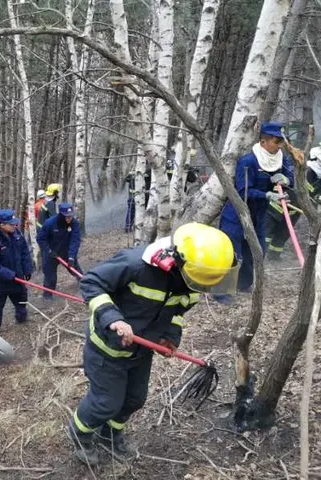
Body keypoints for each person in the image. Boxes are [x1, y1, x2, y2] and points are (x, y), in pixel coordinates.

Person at [68, 223, 237, 464]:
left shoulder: (192, 281)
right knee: (106, 402)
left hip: (142, 350)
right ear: (180, 264)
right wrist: (113, 318)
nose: (205, 288)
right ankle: (80, 432)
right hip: (107, 349)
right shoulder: (136, 264)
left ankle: (110, 435)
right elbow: (91, 282)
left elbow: (178, 311)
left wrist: (171, 336)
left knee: (135, 399)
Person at [216, 122, 294, 303]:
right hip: (237, 214)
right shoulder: (248, 161)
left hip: (259, 216)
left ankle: (244, 284)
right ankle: (221, 292)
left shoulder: (281, 159)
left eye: (281, 141)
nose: (280, 145)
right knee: (231, 253)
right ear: (264, 141)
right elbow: (243, 191)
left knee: (257, 250)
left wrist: (286, 180)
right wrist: (268, 195)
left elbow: (291, 177)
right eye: (276, 141)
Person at [265, 145, 321, 260]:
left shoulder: (318, 178)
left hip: (296, 209)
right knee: (268, 229)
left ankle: (274, 256)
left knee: (284, 232)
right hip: (281, 203)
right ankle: (260, 253)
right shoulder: (305, 170)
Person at [0, 209, 33, 339]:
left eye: (14, 223)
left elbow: (24, 252)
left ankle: (21, 318)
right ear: (2, 225)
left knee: (21, 299)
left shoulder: (17, 233)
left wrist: (27, 269)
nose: (14, 226)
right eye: (11, 224)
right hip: (0, 281)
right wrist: (8, 274)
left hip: (17, 277)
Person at [37, 202, 82, 300]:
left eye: (71, 216)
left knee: (76, 270)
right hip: (51, 254)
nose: (70, 218)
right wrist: (48, 251)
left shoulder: (74, 224)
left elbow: (75, 241)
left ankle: (85, 286)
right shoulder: (50, 223)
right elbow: (40, 238)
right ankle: (47, 297)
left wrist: (71, 257)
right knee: (50, 277)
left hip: (66, 252)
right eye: (67, 216)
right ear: (61, 215)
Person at [124, 168, 151, 233]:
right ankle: (143, 227)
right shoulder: (149, 171)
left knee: (131, 212)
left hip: (132, 196)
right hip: (144, 197)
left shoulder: (133, 172)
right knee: (145, 212)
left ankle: (128, 227)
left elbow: (126, 179)